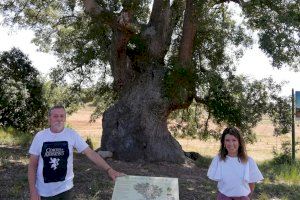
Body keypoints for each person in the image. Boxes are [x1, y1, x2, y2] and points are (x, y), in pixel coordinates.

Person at [28, 105, 124, 200]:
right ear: (49, 119)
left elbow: (90, 153)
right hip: (45, 192)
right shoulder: (40, 136)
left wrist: (109, 169)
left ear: (65, 118)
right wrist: (33, 191)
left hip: (66, 190)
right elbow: (32, 165)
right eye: (55, 116)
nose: (59, 119)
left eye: (62, 116)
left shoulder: (71, 134)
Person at [207, 127, 263, 200]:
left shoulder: (249, 161)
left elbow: (252, 184)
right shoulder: (218, 159)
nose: (231, 143)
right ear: (223, 142)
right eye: (227, 140)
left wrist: (246, 198)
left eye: (234, 140)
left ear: (239, 142)